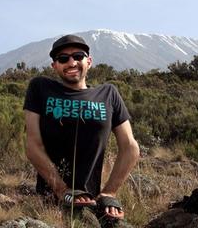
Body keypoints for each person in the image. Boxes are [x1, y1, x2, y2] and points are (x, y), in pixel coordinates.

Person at [23, 34, 140, 227]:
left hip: (94, 200)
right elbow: (32, 145)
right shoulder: (40, 88)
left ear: (89, 61)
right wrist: (61, 190)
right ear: (54, 66)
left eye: (78, 56)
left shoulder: (108, 94)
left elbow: (130, 147)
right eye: (63, 59)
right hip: (50, 202)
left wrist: (110, 193)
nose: (71, 62)